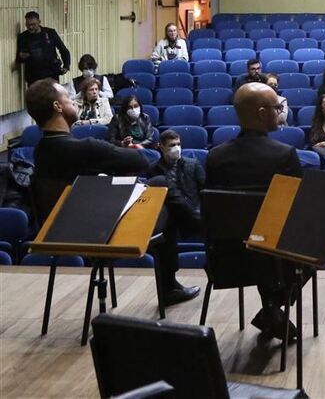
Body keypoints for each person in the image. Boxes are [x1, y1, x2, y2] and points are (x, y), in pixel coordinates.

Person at [26, 79, 198, 305]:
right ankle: (177, 269)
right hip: (96, 236)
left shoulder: (41, 150)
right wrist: (119, 152)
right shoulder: (84, 148)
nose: (74, 103)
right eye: (68, 99)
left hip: (59, 231)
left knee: (157, 185)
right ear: (58, 107)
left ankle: (195, 227)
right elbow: (145, 159)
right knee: (160, 186)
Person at [206, 82, 303, 340]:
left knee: (257, 240)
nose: (280, 111)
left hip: (228, 259)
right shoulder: (285, 155)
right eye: (277, 107)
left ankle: (270, 309)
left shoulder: (215, 157)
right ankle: (272, 307)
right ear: (261, 113)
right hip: (278, 260)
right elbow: (297, 212)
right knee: (313, 247)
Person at [147, 130, 205, 230]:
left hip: (192, 212)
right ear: (161, 147)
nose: (177, 148)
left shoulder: (194, 164)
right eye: (172, 145)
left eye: (178, 144)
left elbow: (204, 190)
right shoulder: (153, 169)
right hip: (169, 216)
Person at [16, 11, 70, 85]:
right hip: (33, 77)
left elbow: (63, 49)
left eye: (33, 24)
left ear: (39, 22)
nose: (30, 27)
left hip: (51, 74)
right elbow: (19, 58)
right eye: (28, 25)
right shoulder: (23, 37)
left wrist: (66, 66)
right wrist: (22, 56)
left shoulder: (50, 33)